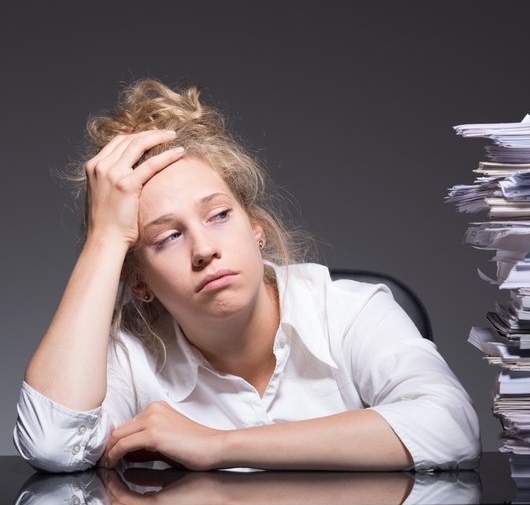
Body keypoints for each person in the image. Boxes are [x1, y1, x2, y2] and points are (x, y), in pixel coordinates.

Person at [14, 79, 480, 473]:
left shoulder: (352, 311)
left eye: (218, 215)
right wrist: (105, 240)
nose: (205, 249)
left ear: (254, 226)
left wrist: (218, 445)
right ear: (138, 282)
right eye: (167, 238)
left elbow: (451, 426)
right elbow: (53, 442)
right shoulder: (129, 355)